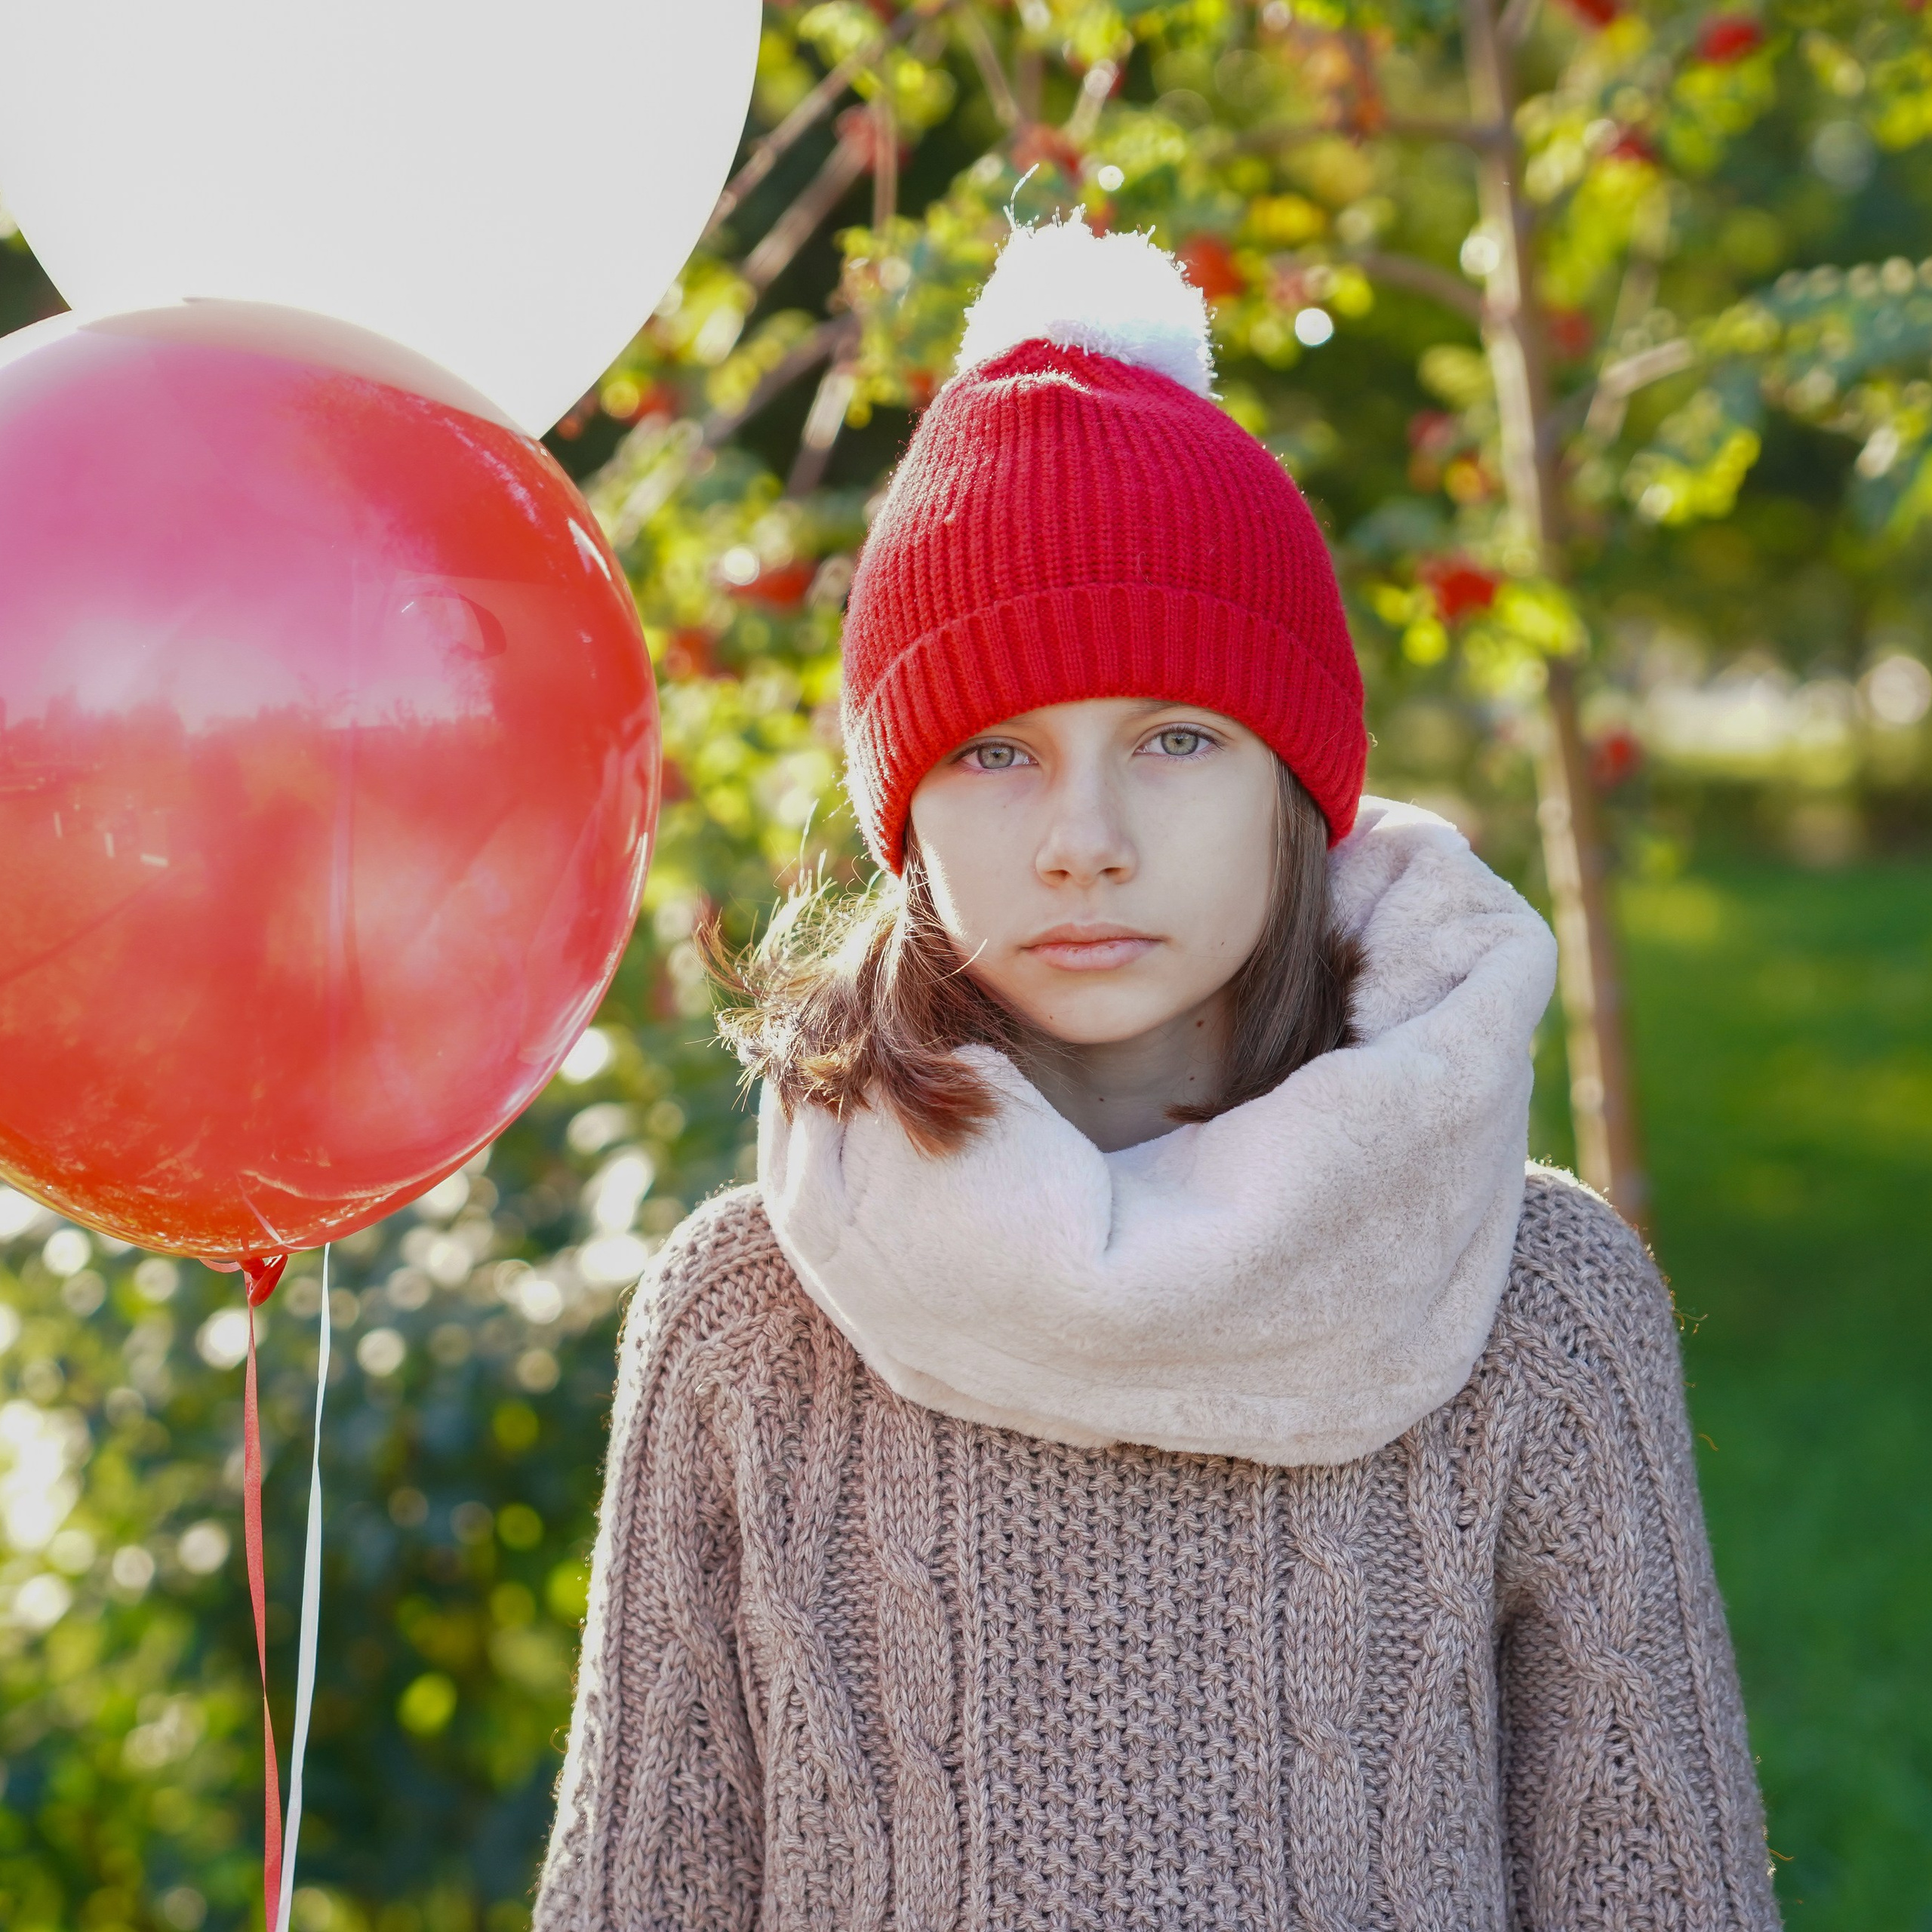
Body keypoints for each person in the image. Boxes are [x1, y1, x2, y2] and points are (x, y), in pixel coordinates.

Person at [534, 218, 1781, 1931]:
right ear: (901, 817)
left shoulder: (1532, 1301)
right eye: (993, 749)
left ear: (1295, 783)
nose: (1084, 841)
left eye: (1173, 739)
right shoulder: (748, 1323)